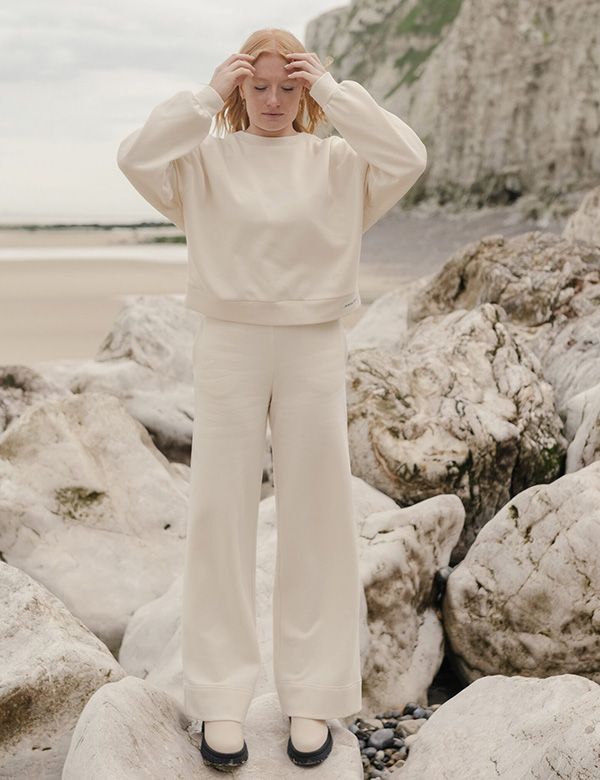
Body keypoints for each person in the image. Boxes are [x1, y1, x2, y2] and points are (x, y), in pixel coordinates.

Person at [117, 26, 427, 769]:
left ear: (306, 90)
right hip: (227, 341)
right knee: (220, 512)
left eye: (289, 87)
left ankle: (313, 698)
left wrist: (332, 90)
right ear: (238, 89)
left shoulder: (339, 161)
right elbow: (134, 156)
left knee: (317, 516)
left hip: (315, 342)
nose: (275, 101)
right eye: (259, 86)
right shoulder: (206, 159)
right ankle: (219, 702)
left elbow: (408, 155)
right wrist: (203, 96)